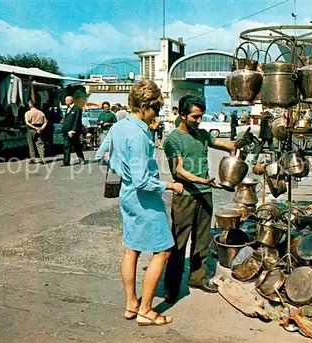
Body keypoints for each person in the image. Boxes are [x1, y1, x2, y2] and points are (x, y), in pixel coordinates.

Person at [96, 79, 183, 326]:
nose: (156, 114)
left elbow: (101, 155)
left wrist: (119, 168)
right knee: (164, 249)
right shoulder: (138, 136)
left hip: (127, 195)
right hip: (144, 198)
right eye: (155, 108)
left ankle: (131, 303)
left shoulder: (119, 126)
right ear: (145, 106)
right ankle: (146, 310)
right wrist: (170, 185)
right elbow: (143, 181)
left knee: (131, 248)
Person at [163, 95, 253, 302]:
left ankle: (198, 278)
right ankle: (171, 286)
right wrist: (201, 181)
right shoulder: (173, 140)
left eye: (200, 116)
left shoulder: (202, 135)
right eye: (194, 117)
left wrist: (240, 143)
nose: (198, 120)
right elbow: (178, 171)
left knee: (202, 240)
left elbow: (225, 145)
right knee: (178, 243)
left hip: (205, 194)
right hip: (185, 195)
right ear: (182, 114)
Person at [61, 96, 85, 166]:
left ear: (70, 100)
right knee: (66, 146)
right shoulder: (67, 108)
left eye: (66, 100)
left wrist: (73, 130)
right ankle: (66, 162)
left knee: (77, 146)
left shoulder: (77, 109)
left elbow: (77, 121)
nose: (65, 102)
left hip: (73, 132)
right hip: (66, 131)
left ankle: (81, 159)